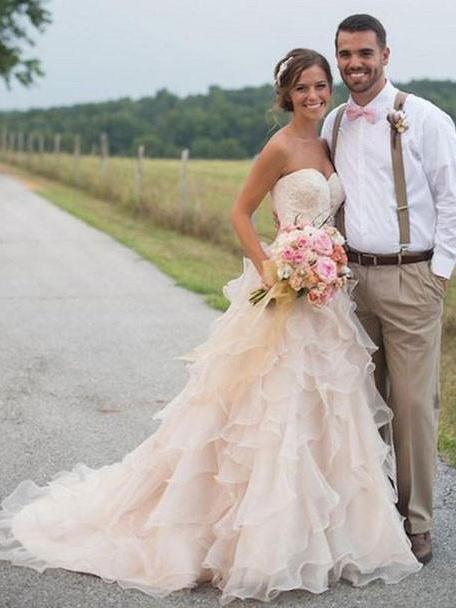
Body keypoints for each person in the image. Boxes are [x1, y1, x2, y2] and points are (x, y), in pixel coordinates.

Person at [0, 49, 421, 605]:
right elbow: (241, 212)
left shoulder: (328, 143)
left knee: (327, 409)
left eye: (321, 85)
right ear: (286, 95)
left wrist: (324, 261)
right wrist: (274, 266)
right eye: (303, 89)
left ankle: (328, 534)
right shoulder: (279, 147)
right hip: (283, 292)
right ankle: (256, 541)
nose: (315, 96)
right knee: (268, 414)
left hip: (324, 299)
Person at [321, 14, 456, 565]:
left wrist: (439, 273)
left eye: (364, 54)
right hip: (350, 282)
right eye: (345, 54)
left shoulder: (424, 118)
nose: (354, 64)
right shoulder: (333, 123)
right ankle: (371, 515)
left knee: (412, 403)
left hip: (411, 277)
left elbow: (452, 197)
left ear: (385, 55)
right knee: (360, 401)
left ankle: (417, 520)